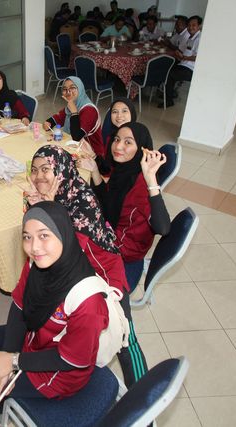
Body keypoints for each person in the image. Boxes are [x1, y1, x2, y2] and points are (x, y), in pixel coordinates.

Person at [0, 201, 109, 423]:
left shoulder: (88, 301)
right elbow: (19, 306)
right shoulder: (37, 264)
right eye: (27, 237)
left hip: (59, 371)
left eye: (43, 236)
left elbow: (71, 360)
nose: (34, 247)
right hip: (35, 336)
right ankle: (1, 387)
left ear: (63, 233)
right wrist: (9, 357)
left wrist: (14, 361)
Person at [25, 145, 148, 387]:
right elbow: (41, 249)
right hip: (74, 274)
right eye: (35, 170)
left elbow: (66, 253)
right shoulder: (50, 195)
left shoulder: (82, 200)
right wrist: (40, 208)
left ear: (61, 170)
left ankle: (143, 398)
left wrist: (50, 211)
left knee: (126, 337)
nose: (39, 176)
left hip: (104, 272)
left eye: (46, 169)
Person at [86, 122, 171, 291]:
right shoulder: (124, 170)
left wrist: (151, 179)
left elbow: (163, 227)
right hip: (112, 231)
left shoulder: (142, 185)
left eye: (128, 142)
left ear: (142, 149)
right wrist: (94, 169)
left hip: (123, 250)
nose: (118, 146)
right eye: (117, 139)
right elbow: (108, 202)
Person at [43, 76, 104, 160]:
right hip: (75, 148)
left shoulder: (89, 110)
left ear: (80, 89)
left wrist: (74, 112)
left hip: (92, 155)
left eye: (72, 88)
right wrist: (48, 123)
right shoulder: (73, 104)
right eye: (65, 89)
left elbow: (76, 137)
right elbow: (58, 118)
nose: (68, 92)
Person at [159, 15, 202, 108]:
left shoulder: (199, 39)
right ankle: (168, 92)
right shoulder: (191, 37)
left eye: (193, 25)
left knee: (170, 74)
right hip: (184, 64)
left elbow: (198, 57)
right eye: (189, 25)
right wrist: (179, 54)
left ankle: (169, 100)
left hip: (191, 69)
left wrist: (184, 57)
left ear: (199, 26)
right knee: (166, 67)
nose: (191, 27)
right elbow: (185, 51)